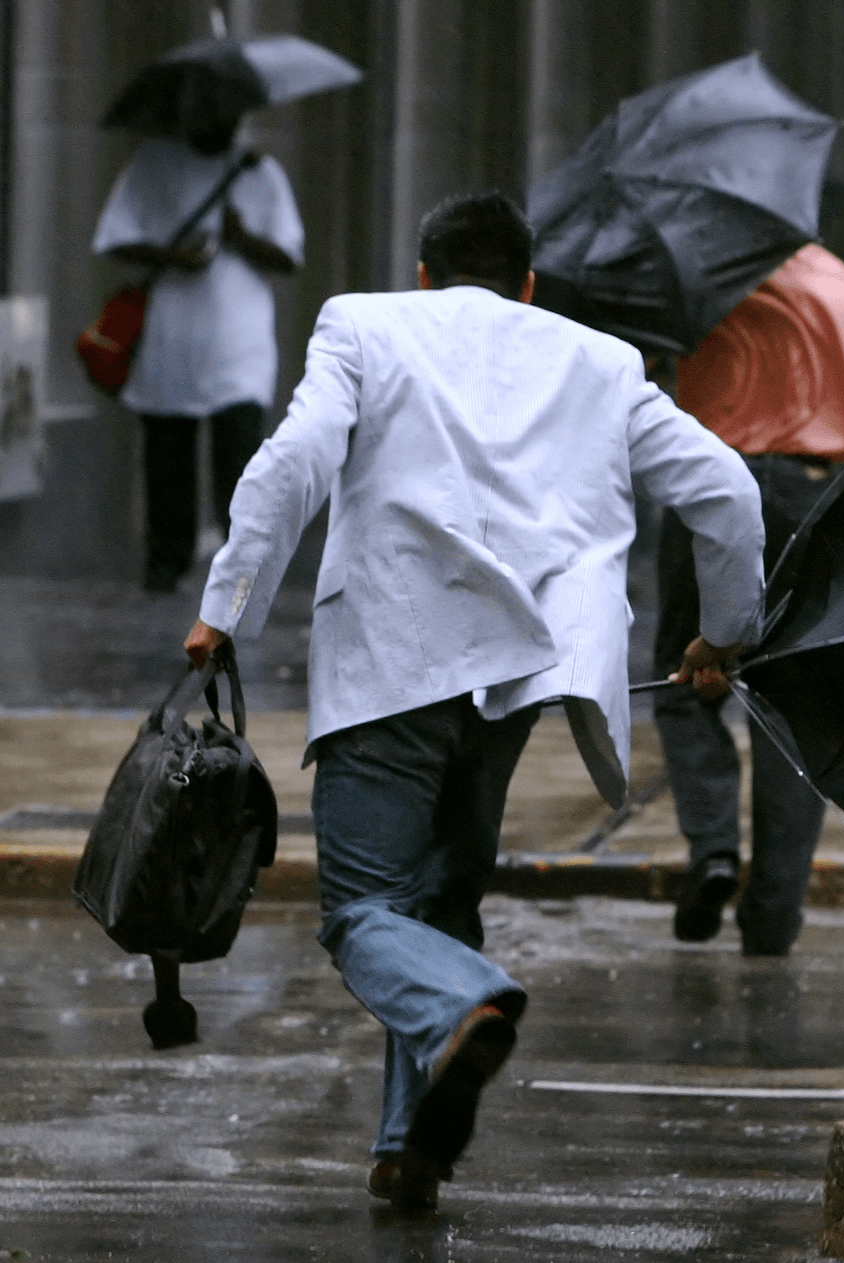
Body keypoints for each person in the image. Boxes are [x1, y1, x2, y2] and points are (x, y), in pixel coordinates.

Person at [183, 192, 765, 1209]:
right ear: (528, 283)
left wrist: (226, 607)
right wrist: (723, 633)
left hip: (388, 667)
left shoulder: (363, 323)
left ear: (421, 273)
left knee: (364, 911)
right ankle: (410, 1150)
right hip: (512, 682)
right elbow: (726, 491)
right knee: (443, 905)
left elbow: (294, 461)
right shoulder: (599, 361)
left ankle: (461, 1003)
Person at [654, 242, 844, 955]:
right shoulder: (839, 274)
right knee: (794, 705)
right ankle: (774, 913)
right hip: (814, 496)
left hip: (712, 481)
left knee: (681, 682)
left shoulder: (703, 275)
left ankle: (715, 849)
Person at [93, 118, 304, 592]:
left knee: (240, 458)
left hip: (240, 344)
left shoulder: (258, 171)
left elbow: (290, 255)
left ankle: (242, 566)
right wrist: (173, 256)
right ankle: (165, 561)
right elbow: (114, 236)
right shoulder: (152, 163)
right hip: (171, 340)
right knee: (168, 456)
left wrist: (242, 237)